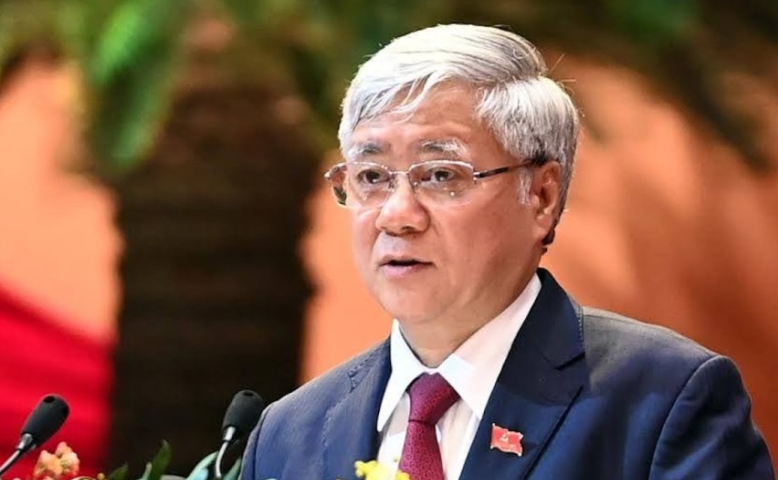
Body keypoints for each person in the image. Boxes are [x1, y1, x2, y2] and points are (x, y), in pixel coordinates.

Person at [240, 24, 775, 480]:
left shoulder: (664, 402)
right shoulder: (288, 434)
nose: (396, 215)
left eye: (441, 175)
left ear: (541, 196)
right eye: (372, 177)